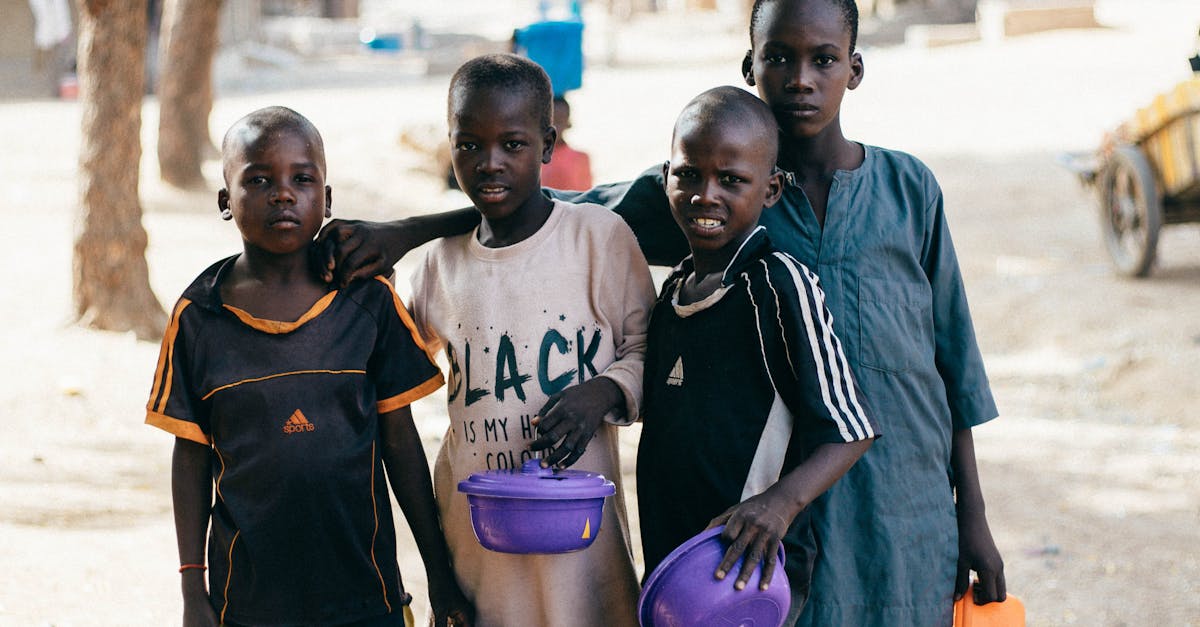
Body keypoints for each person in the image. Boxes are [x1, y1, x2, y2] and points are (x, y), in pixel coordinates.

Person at [315, 0, 1008, 624]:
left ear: (853, 69)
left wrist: (972, 515)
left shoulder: (909, 189)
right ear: (751, 66)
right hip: (769, 523)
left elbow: (952, 361)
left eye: (823, 59)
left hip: (903, 502)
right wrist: (406, 232)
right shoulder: (698, 185)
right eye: (778, 57)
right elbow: (535, 207)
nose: (799, 79)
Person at [144, 106, 473, 627]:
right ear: (226, 200)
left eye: (302, 179)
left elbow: (401, 444)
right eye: (259, 180)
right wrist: (192, 588)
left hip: (365, 597)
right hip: (247, 604)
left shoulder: (366, 301)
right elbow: (191, 455)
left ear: (327, 198)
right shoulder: (199, 316)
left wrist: (439, 573)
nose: (283, 194)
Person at [407, 54, 653, 626]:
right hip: (477, 542)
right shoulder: (440, 264)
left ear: (547, 145)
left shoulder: (598, 239)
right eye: (469, 144)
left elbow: (650, 352)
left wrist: (604, 392)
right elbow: (394, 376)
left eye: (512, 144)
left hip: (583, 549)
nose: (489, 162)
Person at [637, 85, 877, 616]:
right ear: (666, 176)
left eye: (732, 180)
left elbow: (852, 428)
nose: (706, 195)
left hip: (750, 573)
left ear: (770, 190)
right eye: (688, 175)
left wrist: (779, 505)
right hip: (675, 567)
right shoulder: (671, 294)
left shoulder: (779, 284)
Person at [540, 96, 594, 191]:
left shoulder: (580, 158)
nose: (555, 127)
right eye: (552, 121)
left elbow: (585, 195)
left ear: (568, 122)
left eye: (560, 121)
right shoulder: (530, 158)